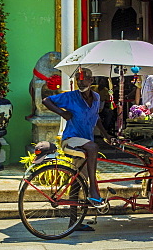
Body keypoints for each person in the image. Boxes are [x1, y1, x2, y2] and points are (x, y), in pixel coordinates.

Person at [43, 68, 112, 208]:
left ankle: (74, 222)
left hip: (86, 142)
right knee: (93, 147)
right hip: (71, 139)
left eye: (83, 79)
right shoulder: (70, 96)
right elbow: (46, 100)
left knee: (78, 181)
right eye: (77, 80)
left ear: (91, 80)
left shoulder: (97, 97)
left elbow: (96, 117)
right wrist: (62, 113)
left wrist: (106, 135)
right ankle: (94, 190)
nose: (80, 83)